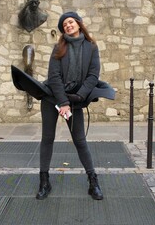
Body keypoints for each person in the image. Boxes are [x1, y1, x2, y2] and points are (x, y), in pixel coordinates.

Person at [36, 12, 106, 201]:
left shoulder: (91, 47)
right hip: (52, 97)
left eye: (70, 22)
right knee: (48, 138)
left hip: (75, 99)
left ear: (78, 24)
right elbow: (54, 76)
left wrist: (80, 96)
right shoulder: (58, 47)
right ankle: (44, 181)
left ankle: (93, 182)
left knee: (80, 141)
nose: (68, 25)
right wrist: (63, 103)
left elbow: (93, 75)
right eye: (64, 24)